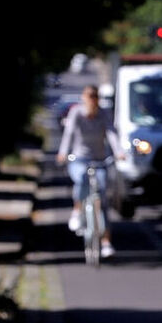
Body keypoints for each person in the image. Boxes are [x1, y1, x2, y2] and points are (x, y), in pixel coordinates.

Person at [56, 84, 126, 258]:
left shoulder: (103, 114)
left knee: (101, 198)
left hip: (99, 159)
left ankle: (106, 242)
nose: (92, 100)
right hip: (79, 158)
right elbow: (69, 134)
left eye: (95, 96)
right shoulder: (76, 113)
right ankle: (76, 211)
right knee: (81, 178)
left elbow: (111, 133)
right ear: (83, 98)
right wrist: (63, 152)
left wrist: (118, 152)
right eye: (89, 96)